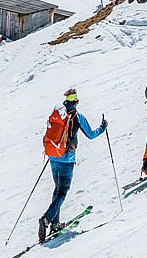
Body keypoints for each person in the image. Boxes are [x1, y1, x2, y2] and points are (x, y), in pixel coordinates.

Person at [40, 88, 106, 242]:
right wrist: (103, 127)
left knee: (57, 189)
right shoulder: (77, 116)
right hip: (66, 159)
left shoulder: (58, 113)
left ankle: (55, 223)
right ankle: (46, 219)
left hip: (53, 156)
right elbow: (91, 134)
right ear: (76, 101)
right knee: (63, 191)